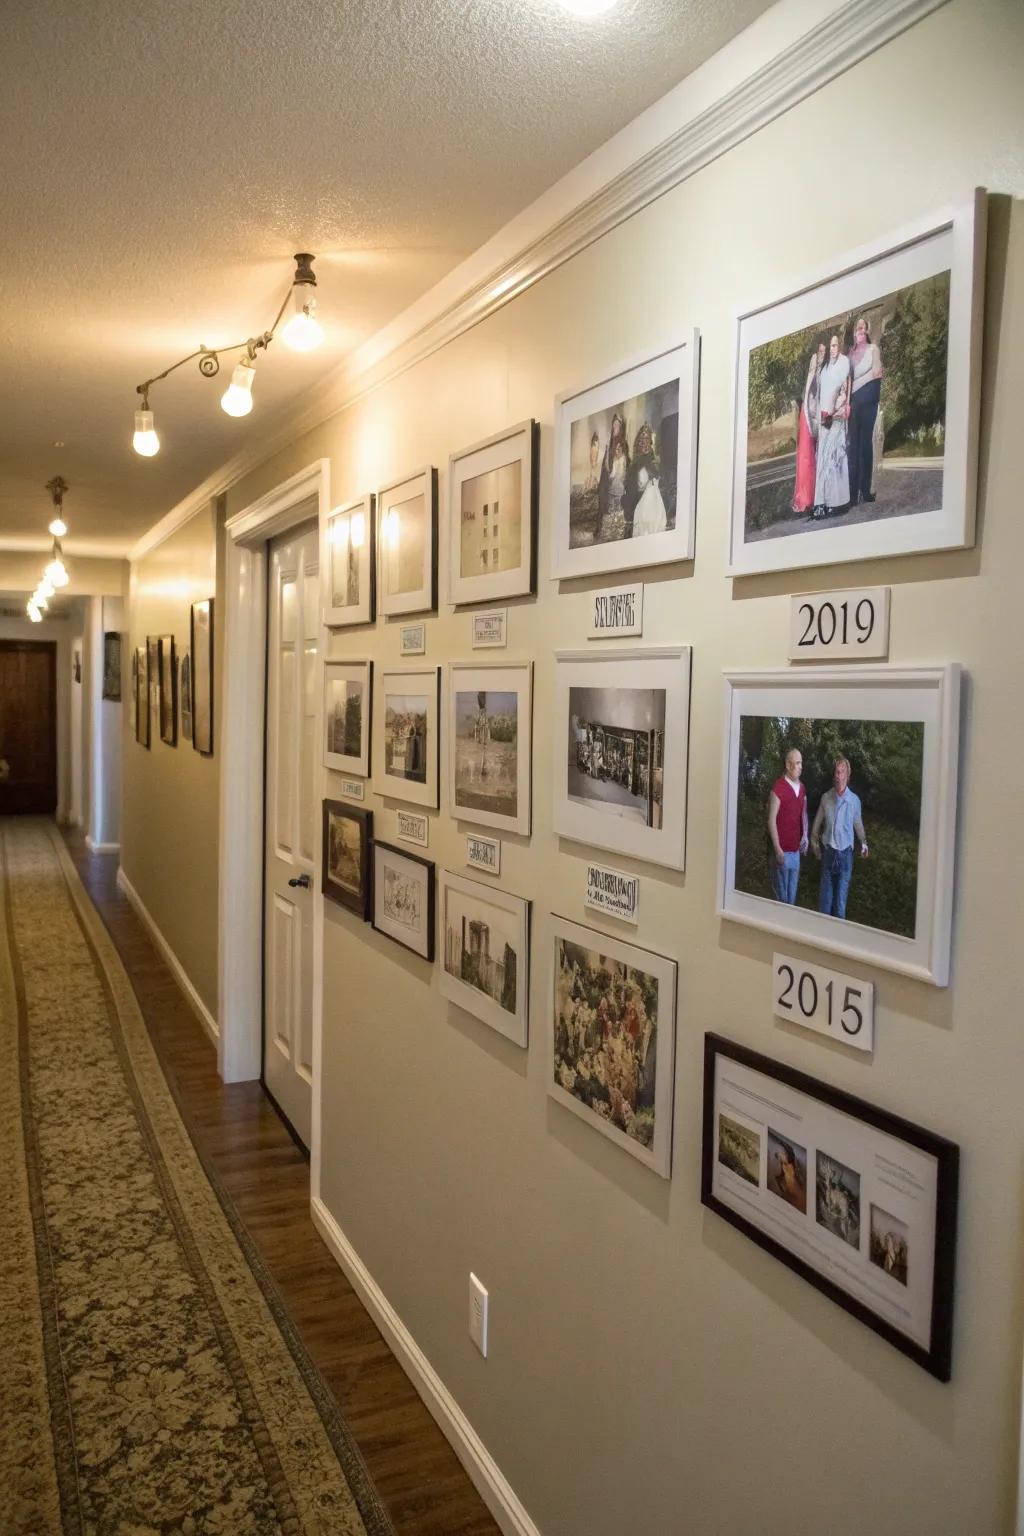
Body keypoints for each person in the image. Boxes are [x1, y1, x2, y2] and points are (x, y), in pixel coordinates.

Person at [811, 757, 869, 919]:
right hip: (828, 853)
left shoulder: (854, 801)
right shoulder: (826, 798)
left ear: (847, 776)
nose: (837, 775)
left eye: (841, 772)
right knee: (825, 903)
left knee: (840, 904)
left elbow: (858, 824)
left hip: (845, 856)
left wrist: (864, 843)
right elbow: (816, 825)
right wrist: (815, 845)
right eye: (836, 772)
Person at [812, 333, 851, 518]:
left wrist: (834, 412)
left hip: (835, 418)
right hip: (824, 418)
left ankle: (837, 503)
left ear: (839, 346)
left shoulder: (844, 364)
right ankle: (820, 503)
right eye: (831, 346)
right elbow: (822, 393)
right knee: (823, 459)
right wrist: (822, 414)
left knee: (835, 458)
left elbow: (842, 391)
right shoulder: (825, 368)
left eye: (835, 345)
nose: (833, 349)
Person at [847, 316, 884, 505]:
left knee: (865, 446)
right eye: (858, 328)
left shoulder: (873, 349)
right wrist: (866, 377)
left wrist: (856, 384)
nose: (861, 330)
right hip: (853, 406)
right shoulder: (850, 355)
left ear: (867, 331)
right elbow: (847, 383)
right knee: (853, 448)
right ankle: (852, 495)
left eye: (864, 327)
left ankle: (865, 492)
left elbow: (878, 372)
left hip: (868, 403)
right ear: (854, 332)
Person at [767, 748, 808, 904]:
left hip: (795, 852)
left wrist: (805, 836)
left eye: (801, 763)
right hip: (781, 853)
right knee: (781, 900)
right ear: (788, 764)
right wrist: (777, 849)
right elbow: (771, 820)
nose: (800, 766)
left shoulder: (802, 788)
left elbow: (803, 814)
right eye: (797, 763)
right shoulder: (779, 787)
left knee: (791, 899)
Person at [792, 344, 824, 515]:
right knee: (806, 458)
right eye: (820, 352)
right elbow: (809, 398)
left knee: (813, 458)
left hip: (813, 416)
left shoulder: (821, 373)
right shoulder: (814, 373)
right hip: (808, 416)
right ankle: (805, 499)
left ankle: (812, 497)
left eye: (823, 353)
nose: (822, 355)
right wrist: (812, 421)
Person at [627, 421, 668, 536]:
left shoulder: (653, 459)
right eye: (642, 440)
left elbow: (657, 475)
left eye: (647, 440)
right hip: (639, 496)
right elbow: (634, 482)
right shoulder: (636, 462)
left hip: (652, 494)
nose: (645, 443)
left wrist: (654, 476)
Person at [597, 412, 630, 540]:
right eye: (614, 425)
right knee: (609, 508)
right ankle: (607, 531)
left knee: (618, 509)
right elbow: (606, 469)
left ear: (621, 428)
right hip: (609, 485)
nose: (615, 428)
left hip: (620, 485)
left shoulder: (623, 445)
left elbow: (626, 465)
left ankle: (618, 530)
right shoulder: (609, 445)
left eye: (618, 426)